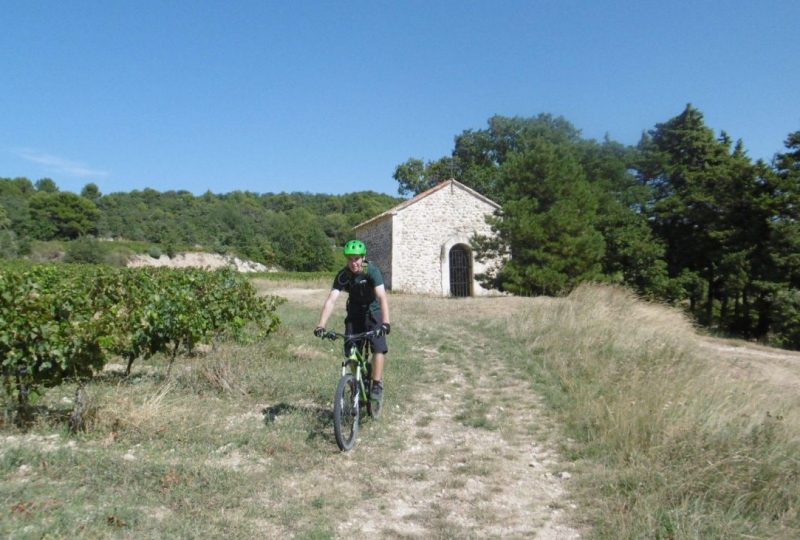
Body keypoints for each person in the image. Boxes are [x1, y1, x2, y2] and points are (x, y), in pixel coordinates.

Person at [314, 239, 391, 406]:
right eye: (349, 259)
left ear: (362, 258)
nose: (353, 262)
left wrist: (385, 322)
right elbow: (331, 300)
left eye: (356, 258)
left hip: (373, 311)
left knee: (378, 347)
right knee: (350, 350)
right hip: (354, 313)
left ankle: (376, 384)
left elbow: (382, 296)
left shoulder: (371, 270)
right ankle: (357, 382)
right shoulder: (343, 275)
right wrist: (321, 325)